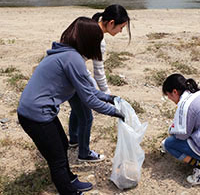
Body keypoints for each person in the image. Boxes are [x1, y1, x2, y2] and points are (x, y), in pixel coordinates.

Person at [17, 17, 125, 195]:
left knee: (62, 144)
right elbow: (89, 100)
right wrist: (116, 113)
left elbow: (87, 90)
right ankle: (69, 191)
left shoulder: (66, 53)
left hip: (39, 112)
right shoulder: (72, 59)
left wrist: (109, 98)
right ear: (88, 40)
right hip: (35, 115)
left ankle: (71, 180)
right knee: (57, 160)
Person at [68, 4, 131, 162]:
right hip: (72, 75)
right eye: (121, 27)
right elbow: (99, 72)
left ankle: (74, 139)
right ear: (111, 23)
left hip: (67, 70)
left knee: (77, 107)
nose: (121, 31)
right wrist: (107, 94)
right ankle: (84, 153)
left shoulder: (88, 26)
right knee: (87, 117)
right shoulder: (98, 39)